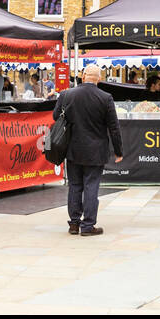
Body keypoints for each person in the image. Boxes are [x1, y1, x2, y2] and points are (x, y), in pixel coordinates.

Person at [53, 65, 122, 237]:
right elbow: (114, 127)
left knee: (75, 186)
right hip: (95, 150)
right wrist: (118, 151)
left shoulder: (66, 94)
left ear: (83, 76)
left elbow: (56, 117)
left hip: (72, 148)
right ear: (98, 78)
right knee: (91, 186)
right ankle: (88, 225)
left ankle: (74, 224)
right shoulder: (105, 97)